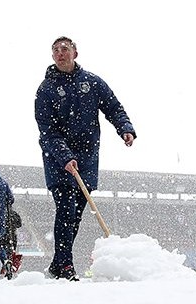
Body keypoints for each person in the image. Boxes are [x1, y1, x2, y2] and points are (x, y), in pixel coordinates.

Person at [35, 36, 135, 281]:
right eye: (56, 50)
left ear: (75, 53)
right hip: (60, 162)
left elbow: (113, 106)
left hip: (88, 158)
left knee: (76, 214)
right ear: (52, 56)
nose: (60, 53)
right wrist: (65, 156)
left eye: (65, 49)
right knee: (66, 210)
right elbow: (47, 131)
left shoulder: (92, 82)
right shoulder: (46, 89)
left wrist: (125, 127)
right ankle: (66, 265)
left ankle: (58, 264)